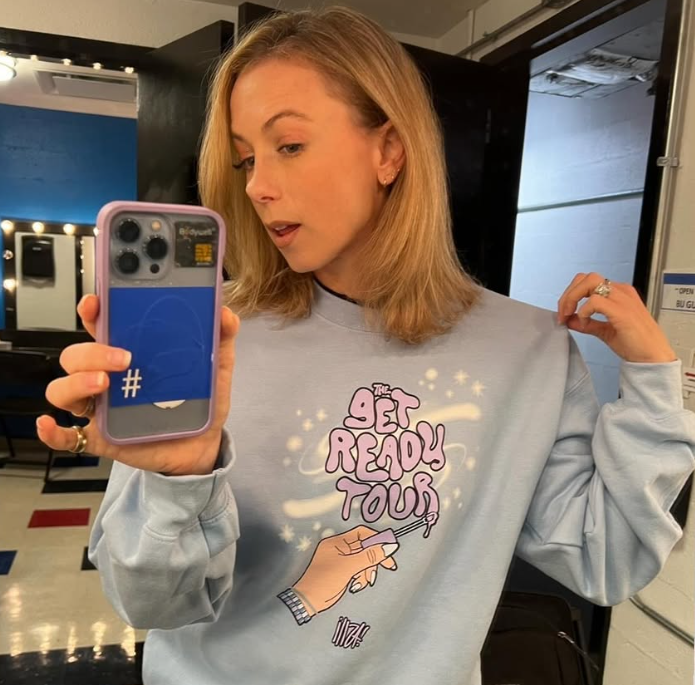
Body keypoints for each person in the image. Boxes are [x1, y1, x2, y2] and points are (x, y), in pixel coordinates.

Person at [37, 7, 695, 685]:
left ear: (389, 151)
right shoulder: (215, 335)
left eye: (289, 145)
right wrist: (177, 483)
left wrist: (653, 377)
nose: (257, 185)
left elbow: (605, 561)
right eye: (245, 158)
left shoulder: (527, 351)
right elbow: (149, 603)